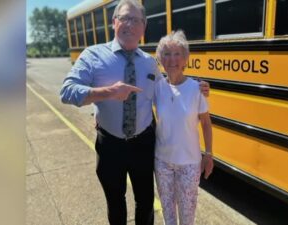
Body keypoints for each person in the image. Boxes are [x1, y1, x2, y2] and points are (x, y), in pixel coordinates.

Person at [60, 1, 209, 224]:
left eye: (136, 20)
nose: (130, 25)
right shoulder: (92, 56)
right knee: (115, 201)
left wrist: (198, 87)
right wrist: (107, 92)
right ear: (114, 22)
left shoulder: (150, 63)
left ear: (143, 27)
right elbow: (67, 91)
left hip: (143, 144)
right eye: (124, 18)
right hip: (110, 145)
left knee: (146, 201)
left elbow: (170, 89)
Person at [153, 30, 214, 225]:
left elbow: (206, 123)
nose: (172, 60)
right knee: (168, 214)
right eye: (167, 54)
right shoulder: (157, 87)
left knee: (187, 217)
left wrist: (209, 154)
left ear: (186, 59)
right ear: (161, 59)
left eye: (177, 54)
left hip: (189, 163)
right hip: (162, 162)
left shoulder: (197, 89)